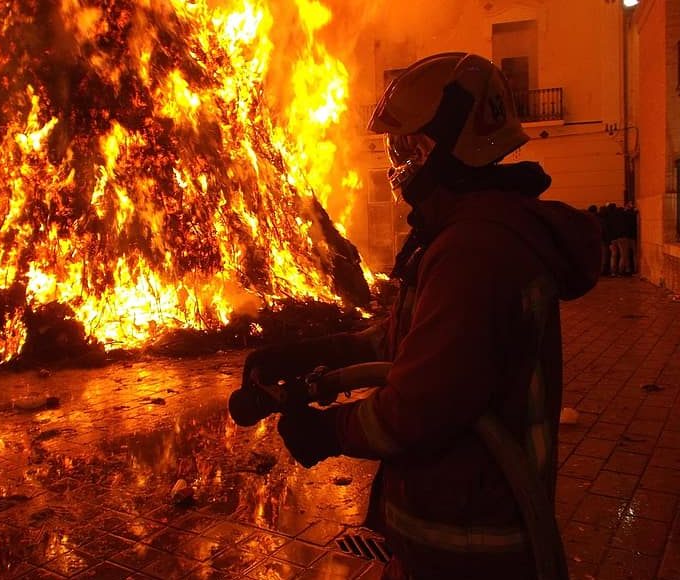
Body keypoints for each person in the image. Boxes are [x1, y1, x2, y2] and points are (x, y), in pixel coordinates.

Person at [243, 53, 601, 579]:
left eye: (406, 147)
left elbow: (421, 404)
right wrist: (323, 354)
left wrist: (330, 431)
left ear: (445, 146)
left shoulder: (477, 250)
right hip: (449, 529)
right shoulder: (472, 232)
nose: (398, 161)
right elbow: (413, 341)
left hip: (469, 544)